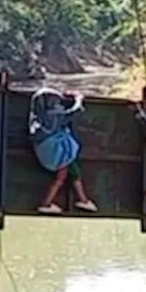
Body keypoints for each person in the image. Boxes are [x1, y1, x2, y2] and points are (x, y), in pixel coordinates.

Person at [29, 87, 98, 215]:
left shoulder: (38, 118)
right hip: (57, 151)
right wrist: (78, 99)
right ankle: (47, 203)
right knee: (64, 175)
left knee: (68, 174)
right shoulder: (53, 116)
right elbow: (74, 113)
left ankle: (82, 199)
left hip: (47, 150)